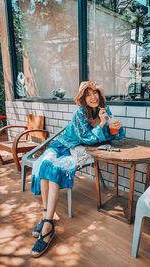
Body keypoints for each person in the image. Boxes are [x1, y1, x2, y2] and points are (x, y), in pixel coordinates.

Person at [30, 81, 125, 257]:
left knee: (52, 171)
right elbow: (86, 138)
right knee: (45, 166)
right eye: (88, 95)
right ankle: (46, 220)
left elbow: (115, 135)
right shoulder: (80, 113)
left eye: (95, 93)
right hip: (62, 144)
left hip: (77, 149)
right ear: (83, 99)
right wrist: (102, 125)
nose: (93, 97)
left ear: (99, 94)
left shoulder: (105, 110)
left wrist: (113, 128)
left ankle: (47, 223)